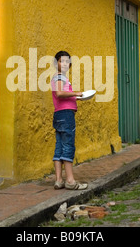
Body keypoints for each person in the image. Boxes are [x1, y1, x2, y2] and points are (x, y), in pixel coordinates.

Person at [51, 51, 88, 190]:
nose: (65, 64)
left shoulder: (59, 77)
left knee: (59, 147)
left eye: (67, 61)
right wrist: (76, 93)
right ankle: (70, 181)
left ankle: (59, 180)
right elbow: (60, 94)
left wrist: (75, 98)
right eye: (61, 61)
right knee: (68, 146)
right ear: (56, 63)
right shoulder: (60, 78)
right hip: (66, 115)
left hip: (59, 114)